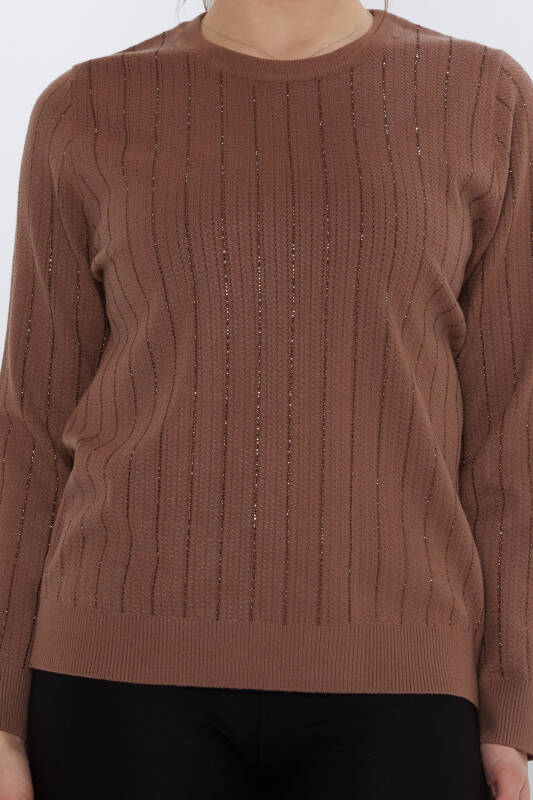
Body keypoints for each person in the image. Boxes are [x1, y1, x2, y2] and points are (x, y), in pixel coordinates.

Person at [0, 0, 531, 797]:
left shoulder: (481, 96)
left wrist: (511, 706)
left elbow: (510, 431)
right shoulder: (85, 107)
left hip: (401, 678)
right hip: (114, 671)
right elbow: (30, 429)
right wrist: (1, 715)